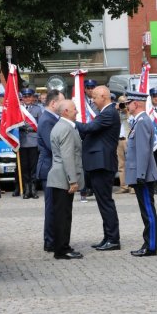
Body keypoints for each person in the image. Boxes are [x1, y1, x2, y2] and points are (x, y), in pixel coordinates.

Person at [76, 85, 121, 251]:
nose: (92, 101)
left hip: (102, 164)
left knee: (105, 202)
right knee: (103, 202)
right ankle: (108, 237)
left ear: (103, 97)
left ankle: (113, 239)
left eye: (94, 97)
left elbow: (89, 128)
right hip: (99, 163)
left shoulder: (109, 113)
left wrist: (71, 122)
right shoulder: (106, 112)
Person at [47, 100, 84, 259]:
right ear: (66, 111)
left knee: (60, 214)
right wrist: (73, 180)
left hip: (59, 176)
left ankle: (60, 246)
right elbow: (67, 156)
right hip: (63, 177)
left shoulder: (61, 126)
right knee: (63, 215)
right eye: (75, 109)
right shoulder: (66, 129)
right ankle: (63, 249)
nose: (77, 111)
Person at [125, 91, 157, 256]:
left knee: (148, 211)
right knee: (146, 211)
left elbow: (144, 152)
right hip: (141, 174)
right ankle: (148, 244)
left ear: (135, 103)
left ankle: (150, 246)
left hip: (143, 175)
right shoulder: (139, 122)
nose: (126, 106)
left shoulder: (142, 122)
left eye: (128, 102)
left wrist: (140, 175)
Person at [37, 89, 65, 252]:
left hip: (52, 168)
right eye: (61, 102)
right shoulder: (48, 120)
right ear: (53, 103)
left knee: (55, 207)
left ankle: (54, 238)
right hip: (49, 169)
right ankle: (50, 241)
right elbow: (52, 145)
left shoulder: (51, 118)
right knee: (52, 207)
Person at [19, 88, 42, 199]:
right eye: (25, 96)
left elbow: (41, 126)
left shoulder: (37, 110)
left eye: (29, 96)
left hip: (33, 139)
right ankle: (26, 189)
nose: (27, 98)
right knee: (24, 166)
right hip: (22, 139)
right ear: (22, 98)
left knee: (33, 166)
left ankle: (34, 189)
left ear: (33, 97)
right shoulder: (18, 109)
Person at [115, 95, 135, 194]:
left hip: (128, 140)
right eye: (121, 103)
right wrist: (117, 110)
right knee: (121, 165)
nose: (123, 105)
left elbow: (133, 123)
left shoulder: (130, 112)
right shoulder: (116, 113)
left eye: (125, 102)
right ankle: (124, 186)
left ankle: (134, 186)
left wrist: (126, 111)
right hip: (119, 140)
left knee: (131, 163)